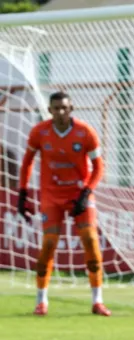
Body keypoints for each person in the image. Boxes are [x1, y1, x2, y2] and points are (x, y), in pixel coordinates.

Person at [16, 92, 110, 317]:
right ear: (49, 110)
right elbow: (27, 162)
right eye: (55, 108)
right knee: (48, 244)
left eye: (64, 108)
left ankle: (97, 301)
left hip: (80, 194)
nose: (60, 112)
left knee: (90, 240)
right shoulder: (40, 132)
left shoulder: (85, 132)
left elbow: (98, 167)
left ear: (71, 109)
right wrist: (22, 193)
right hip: (52, 196)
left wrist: (86, 193)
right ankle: (41, 301)